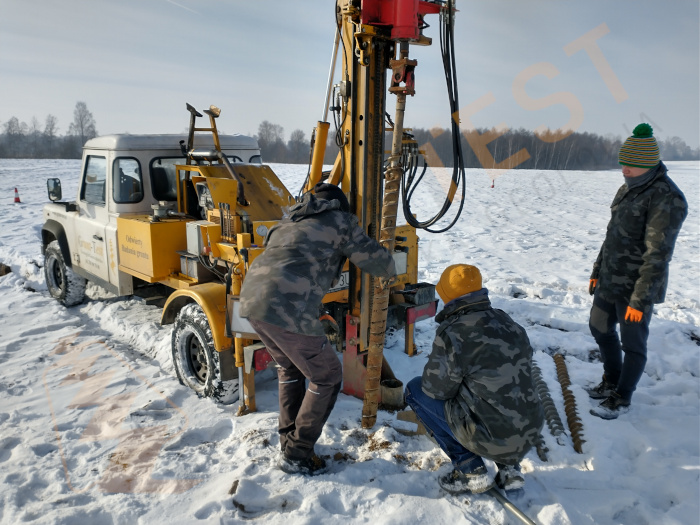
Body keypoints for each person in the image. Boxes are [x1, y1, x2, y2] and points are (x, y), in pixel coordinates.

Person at [239, 182, 396, 475]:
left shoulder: (288, 221)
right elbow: (376, 261)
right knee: (326, 376)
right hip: (289, 307)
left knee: (289, 369)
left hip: (251, 302)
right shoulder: (340, 221)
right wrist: (390, 267)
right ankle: (297, 454)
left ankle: (289, 443)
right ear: (339, 205)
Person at [404, 264, 544, 494]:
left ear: (449, 295)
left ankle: (469, 468)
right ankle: (509, 468)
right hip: (528, 429)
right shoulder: (507, 321)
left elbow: (436, 389)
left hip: (489, 434)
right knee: (500, 392)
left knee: (414, 390)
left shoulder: (454, 331)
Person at [587, 123, 687, 420]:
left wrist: (640, 299)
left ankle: (623, 395)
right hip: (610, 278)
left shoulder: (666, 197)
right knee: (599, 327)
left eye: (630, 164)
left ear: (647, 164)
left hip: (636, 286)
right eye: (623, 162)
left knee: (633, 343)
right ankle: (611, 379)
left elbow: (658, 253)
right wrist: (597, 270)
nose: (623, 168)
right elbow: (612, 235)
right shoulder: (628, 188)